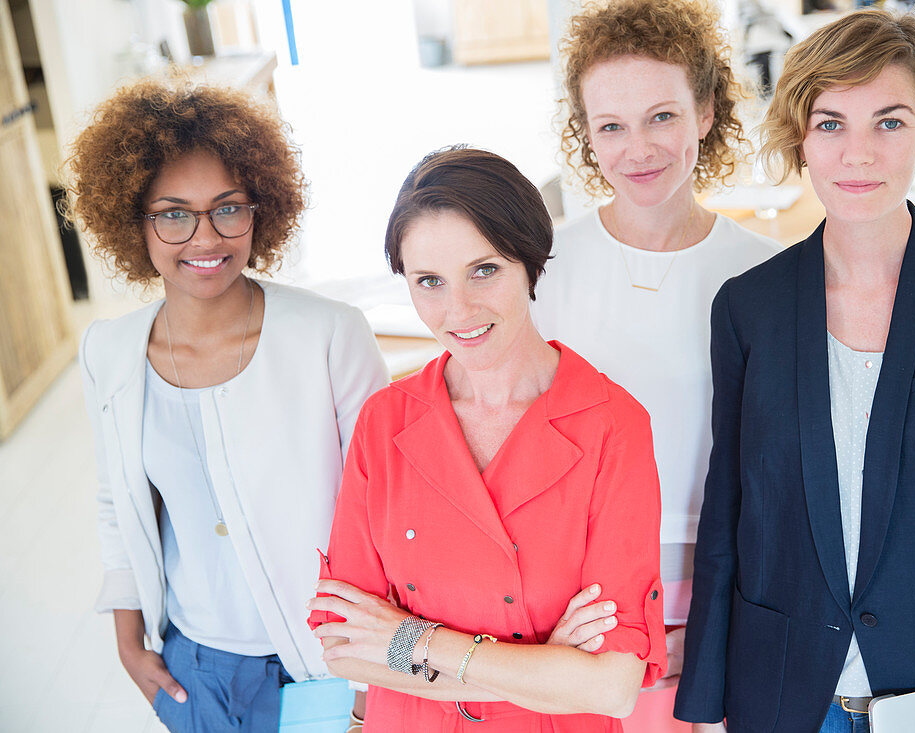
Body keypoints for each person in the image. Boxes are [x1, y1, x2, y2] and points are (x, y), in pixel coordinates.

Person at [674, 10, 915, 732]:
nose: (858, 154)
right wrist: (704, 705)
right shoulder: (748, 307)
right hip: (786, 697)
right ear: (801, 137)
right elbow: (731, 521)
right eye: (831, 123)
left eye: (888, 122)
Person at [306, 146, 667, 731]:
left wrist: (407, 639)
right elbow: (345, 648)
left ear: (530, 262)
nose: (459, 309)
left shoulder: (612, 424)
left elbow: (610, 686)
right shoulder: (384, 422)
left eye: (484, 270)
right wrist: (544, 665)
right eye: (429, 282)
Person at [68, 78, 389, 731]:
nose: (205, 237)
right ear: (136, 221)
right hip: (194, 668)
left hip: (327, 661)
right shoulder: (111, 349)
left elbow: (390, 511)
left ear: (260, 209)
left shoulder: (329, 333)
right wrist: (129, 644)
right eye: (174, 212)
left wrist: (370, 674)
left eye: (228, 207)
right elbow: (117, 504)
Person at [534, 1, 781, 728]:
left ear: (706, 110)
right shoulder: (543, 267)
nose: (637, 147)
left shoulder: (762, 274)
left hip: (729, 579)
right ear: (585, 134)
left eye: (662, 116)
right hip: (581, 593)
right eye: (610, 125)